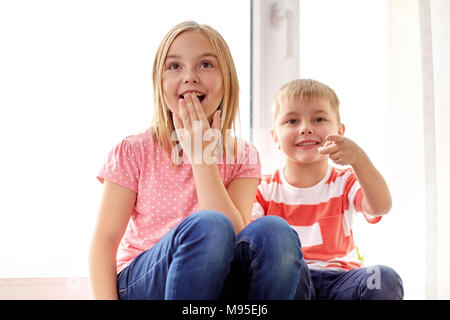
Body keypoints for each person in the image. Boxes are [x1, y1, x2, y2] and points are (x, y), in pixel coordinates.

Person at [89, 21, 309, 300]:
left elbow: (237, 240)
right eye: (174, 66)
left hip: (217, 280)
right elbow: (104, 242)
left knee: (274, 231)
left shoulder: (243, 156)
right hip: (144, 281)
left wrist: (202, 158)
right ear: (160, 83)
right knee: (209, 225)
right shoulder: (134, 151)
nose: (190, 76)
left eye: (205, 65)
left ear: (226, 80)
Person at [252, 78, 404, 300]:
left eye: (319, 119)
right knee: (287, 272)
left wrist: (359, 159)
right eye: (292, 121)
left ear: (339, 130)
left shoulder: (345, 181)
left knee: (383, 277)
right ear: (275, 136)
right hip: (293, 282)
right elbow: (248, 240)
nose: (305, 128)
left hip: (342, 281)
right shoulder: (263, 188)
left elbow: (381, 206)